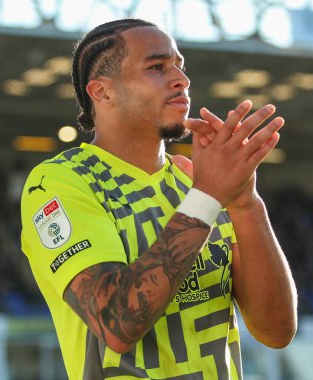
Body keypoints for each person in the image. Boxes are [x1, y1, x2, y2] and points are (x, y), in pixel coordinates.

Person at [20, 18, 298, 380]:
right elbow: (117, 323)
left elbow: (276, 332)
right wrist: (208, 196)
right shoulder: (62, 181)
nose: (182, 80)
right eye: (156, 67)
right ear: (102, 92)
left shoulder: (194, 181)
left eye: (180, 67)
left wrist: (247, 203)